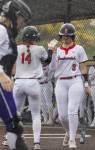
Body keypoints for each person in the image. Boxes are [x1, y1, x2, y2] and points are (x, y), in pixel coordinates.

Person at [49, 23, 91, 149]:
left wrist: (86, 84)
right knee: (62, 115)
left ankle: (72, 139)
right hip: (61, 82)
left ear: (73, 37)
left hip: (75, 81)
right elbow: (52, 68)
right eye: (63, 36)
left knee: (72, 110)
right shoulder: (56, 50)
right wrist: (52, 53)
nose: (65, 38)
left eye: (68, 36)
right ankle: (68, 132)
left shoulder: (79, 49)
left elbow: (83, 68)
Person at [13, 26, 51, 150]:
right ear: (35, 37)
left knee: (16, 113)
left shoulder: (17, 48)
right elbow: (47, 61)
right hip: (33, 83)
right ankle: (36, 143)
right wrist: (50, 50)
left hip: (18, 82)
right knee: (35, 114)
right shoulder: (39, 48)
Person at [0, 0, 31, 149]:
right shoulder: (1, 30)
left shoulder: (6, 32)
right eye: (21, 19)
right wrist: (1, 75)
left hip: (4, 84)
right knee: (14, 123)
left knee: (14, 124)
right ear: (13, 15)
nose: (22, 23)